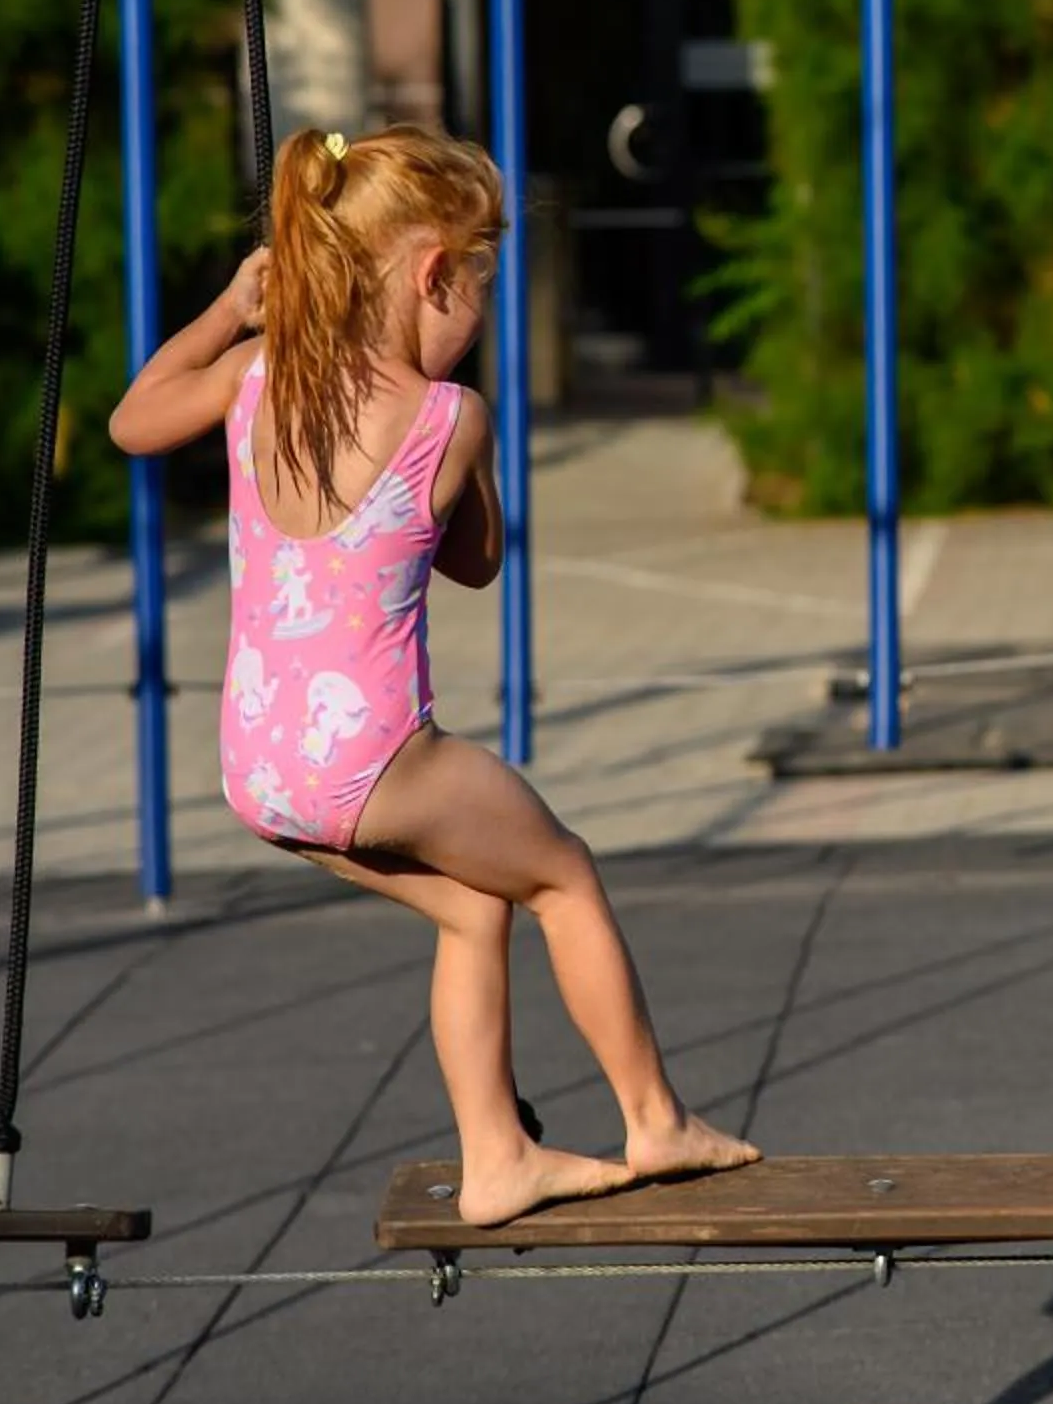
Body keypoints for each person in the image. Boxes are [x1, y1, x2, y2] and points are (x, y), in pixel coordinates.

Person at [109, 124, 757, 1225]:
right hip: (374, 757)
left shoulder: (253, 379)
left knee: (472, 910)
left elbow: (131, 421)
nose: (483, 313)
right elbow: (478, 562)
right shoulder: (449, 417)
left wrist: (231, 309)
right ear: (431, 276)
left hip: (259, 764)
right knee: (562, 875)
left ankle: (497, 1157)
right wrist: (473, 454)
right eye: (482, 284)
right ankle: (656, 1120)